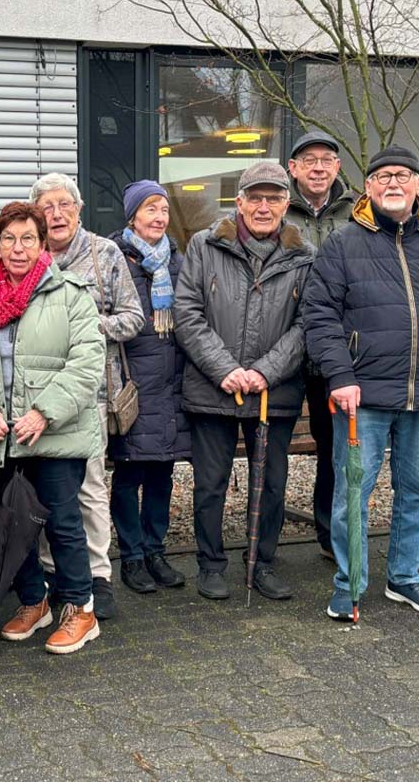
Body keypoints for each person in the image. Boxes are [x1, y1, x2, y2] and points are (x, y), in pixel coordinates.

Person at [303, 145, 419, 621]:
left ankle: (405, 579)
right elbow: (319, 314)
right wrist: (340, 373)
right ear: (369, 186)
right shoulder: (342, 243)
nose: (393, 183)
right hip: (362, 394)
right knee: (353, 493)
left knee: (418, 491)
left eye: (403, 175)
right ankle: (350, 582)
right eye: (383, 176)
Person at [0, 201, 105, 654]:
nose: (18, 248)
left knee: (62, 523)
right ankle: (35, 602)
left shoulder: (71, 293)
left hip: (53, 433)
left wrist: (44, 412)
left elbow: (88, 363)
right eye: (10, 239)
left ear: (42, 243)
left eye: (28, 239)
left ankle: (81, 608)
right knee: (9, 526)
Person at [175, 162, 314, 601]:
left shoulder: (304, 254)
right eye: (255, 197)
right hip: (211, 387)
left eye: (273, 198)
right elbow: (188, 314)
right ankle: (210, 563)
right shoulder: (204, 244)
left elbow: (308, 325)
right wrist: (226, 370)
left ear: (285, 205)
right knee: (210, 482)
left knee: (271, 482)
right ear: (239, 203)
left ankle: (263, 562)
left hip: (274, 392)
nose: (263, 206)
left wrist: (264, 372)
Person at [29, 172, 144, 620]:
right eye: (47, 207)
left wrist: (84, 328)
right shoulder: (28, 255)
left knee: (90, 488)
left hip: (91, 392)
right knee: (44, 489)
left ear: (78, 209)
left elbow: (134, 318)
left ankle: (98, 575)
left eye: (64, 205)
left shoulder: (104, 253)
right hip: (36, 396)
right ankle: (52, 573)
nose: (55, 214)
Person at [106, 181, 190, 594]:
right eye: (150, 209)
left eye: (163, 210)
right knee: (128, 474)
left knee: (162, 473)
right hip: (133, 385)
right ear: (133, 215)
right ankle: (132, 556)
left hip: (172, 384)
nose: (158, 217)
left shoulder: (178, 260)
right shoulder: (114, 258)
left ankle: (155, 550)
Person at [285, 130, 355, 562]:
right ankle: (264, 541)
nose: (317, 167)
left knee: (334, 447)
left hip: (335, 354)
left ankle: (332, 533)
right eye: (308, 160)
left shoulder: (358, 212)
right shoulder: (276, 208)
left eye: (326, 159)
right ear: (293, 168)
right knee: (271, 448)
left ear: (337, 167)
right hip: (284, 348)